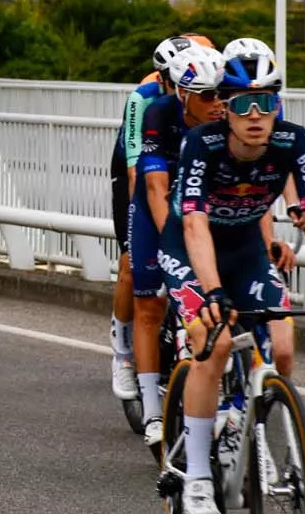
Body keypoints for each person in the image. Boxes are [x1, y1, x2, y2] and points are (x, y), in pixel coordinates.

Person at [158, 46, 305, 514]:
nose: (256, 114)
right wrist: (212, 291)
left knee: (283, 346)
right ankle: (198, 476)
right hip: (189, 250)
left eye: (266, 102)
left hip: (244, 251)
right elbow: (194, 223)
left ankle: (243, 422)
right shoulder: (202, 143)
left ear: (279, 105)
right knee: (215, 343)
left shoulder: (293, 141)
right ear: (225, 106)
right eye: (243, 103)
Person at [129, 43, 226, 450]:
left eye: (223, 94)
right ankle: (153, 411)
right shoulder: (159, 113)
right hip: (159, 209)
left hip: (200, 210)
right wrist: (174, 243)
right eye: (208, 95)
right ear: (183, 94)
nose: (219, 103)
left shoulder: (230, 118)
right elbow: (155, 187)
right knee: (149, 306)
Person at [108, 34, 193, 401]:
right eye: (173, 80)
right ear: (161, 78)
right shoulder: (143, 100)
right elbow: (134, 173)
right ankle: (122, 351)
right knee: (131, 263)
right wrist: (141, 227)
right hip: (137, 172)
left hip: (178, 169)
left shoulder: (203, 97)